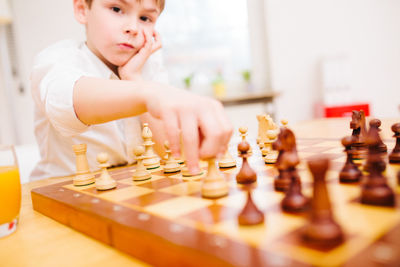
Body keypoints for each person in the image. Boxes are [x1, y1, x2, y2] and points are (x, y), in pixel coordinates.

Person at [30, 0, 232, 180]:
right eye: (117, 9)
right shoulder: (57, 59)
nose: (133, 28)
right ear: (82, 9)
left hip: (129, 191)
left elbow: (168, 151)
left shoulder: (148, 66)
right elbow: (68, 102)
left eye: (145, 18)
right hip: (58, 194)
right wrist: (147, 92)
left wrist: (134, 79)